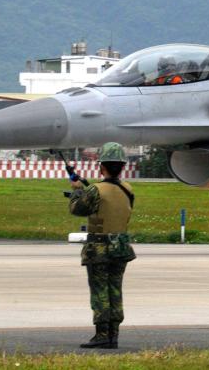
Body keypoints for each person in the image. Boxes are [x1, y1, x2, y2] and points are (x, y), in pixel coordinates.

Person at [68, 143, 137, 349]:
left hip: (99, 248)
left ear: (101, 166)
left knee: (100, 291)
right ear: (122, 167)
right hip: (121, 247)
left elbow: (76, 209)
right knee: (115, 290)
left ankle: (102, 334)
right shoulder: (128, 189)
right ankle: (113, 335)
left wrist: (78, 190)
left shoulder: (95, 190)